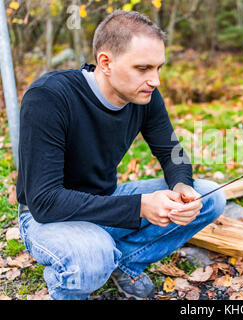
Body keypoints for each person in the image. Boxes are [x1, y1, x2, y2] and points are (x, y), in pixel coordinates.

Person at [15, 10, 226, 300]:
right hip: (48, 220)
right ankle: (73, 279)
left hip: (106, 201)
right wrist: (139, 206)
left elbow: (171, 152)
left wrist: (181, 187)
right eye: (143, 68)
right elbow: (45, 202)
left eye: (159, 68)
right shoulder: (49, 97)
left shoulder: (144, 96)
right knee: (93, 256)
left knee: (210, 196)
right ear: (106, 62)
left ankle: (124, 262)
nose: (155, 80)